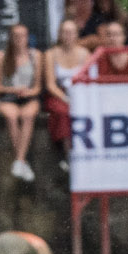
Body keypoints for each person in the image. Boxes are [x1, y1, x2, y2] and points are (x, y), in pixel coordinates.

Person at [0, 23, 43, 181]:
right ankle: (21, 161)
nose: (20, 39)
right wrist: (14, 90)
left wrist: (27, 92)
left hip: (28, 97)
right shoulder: (1, 56)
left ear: (27, 38)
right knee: (12, 116)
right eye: (16, 36)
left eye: (23, 36)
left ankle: (19, 161)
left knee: (27, 115)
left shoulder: (36, 56)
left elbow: (37, 87)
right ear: (11, 38)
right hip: (8, 96)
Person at [41, 18, 91, 155]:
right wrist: (65, 97)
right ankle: (66, 152)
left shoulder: (85, 53)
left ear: (76, 34)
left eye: (70, 32)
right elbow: (50, 84)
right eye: (64, 32)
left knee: (82, 111)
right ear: (59, 34)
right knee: (63, 112)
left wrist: (77, 96)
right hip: (59, 93)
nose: (67, 36)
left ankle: (82, 151)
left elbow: (89, 80)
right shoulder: (50, 54)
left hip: (80, 92)